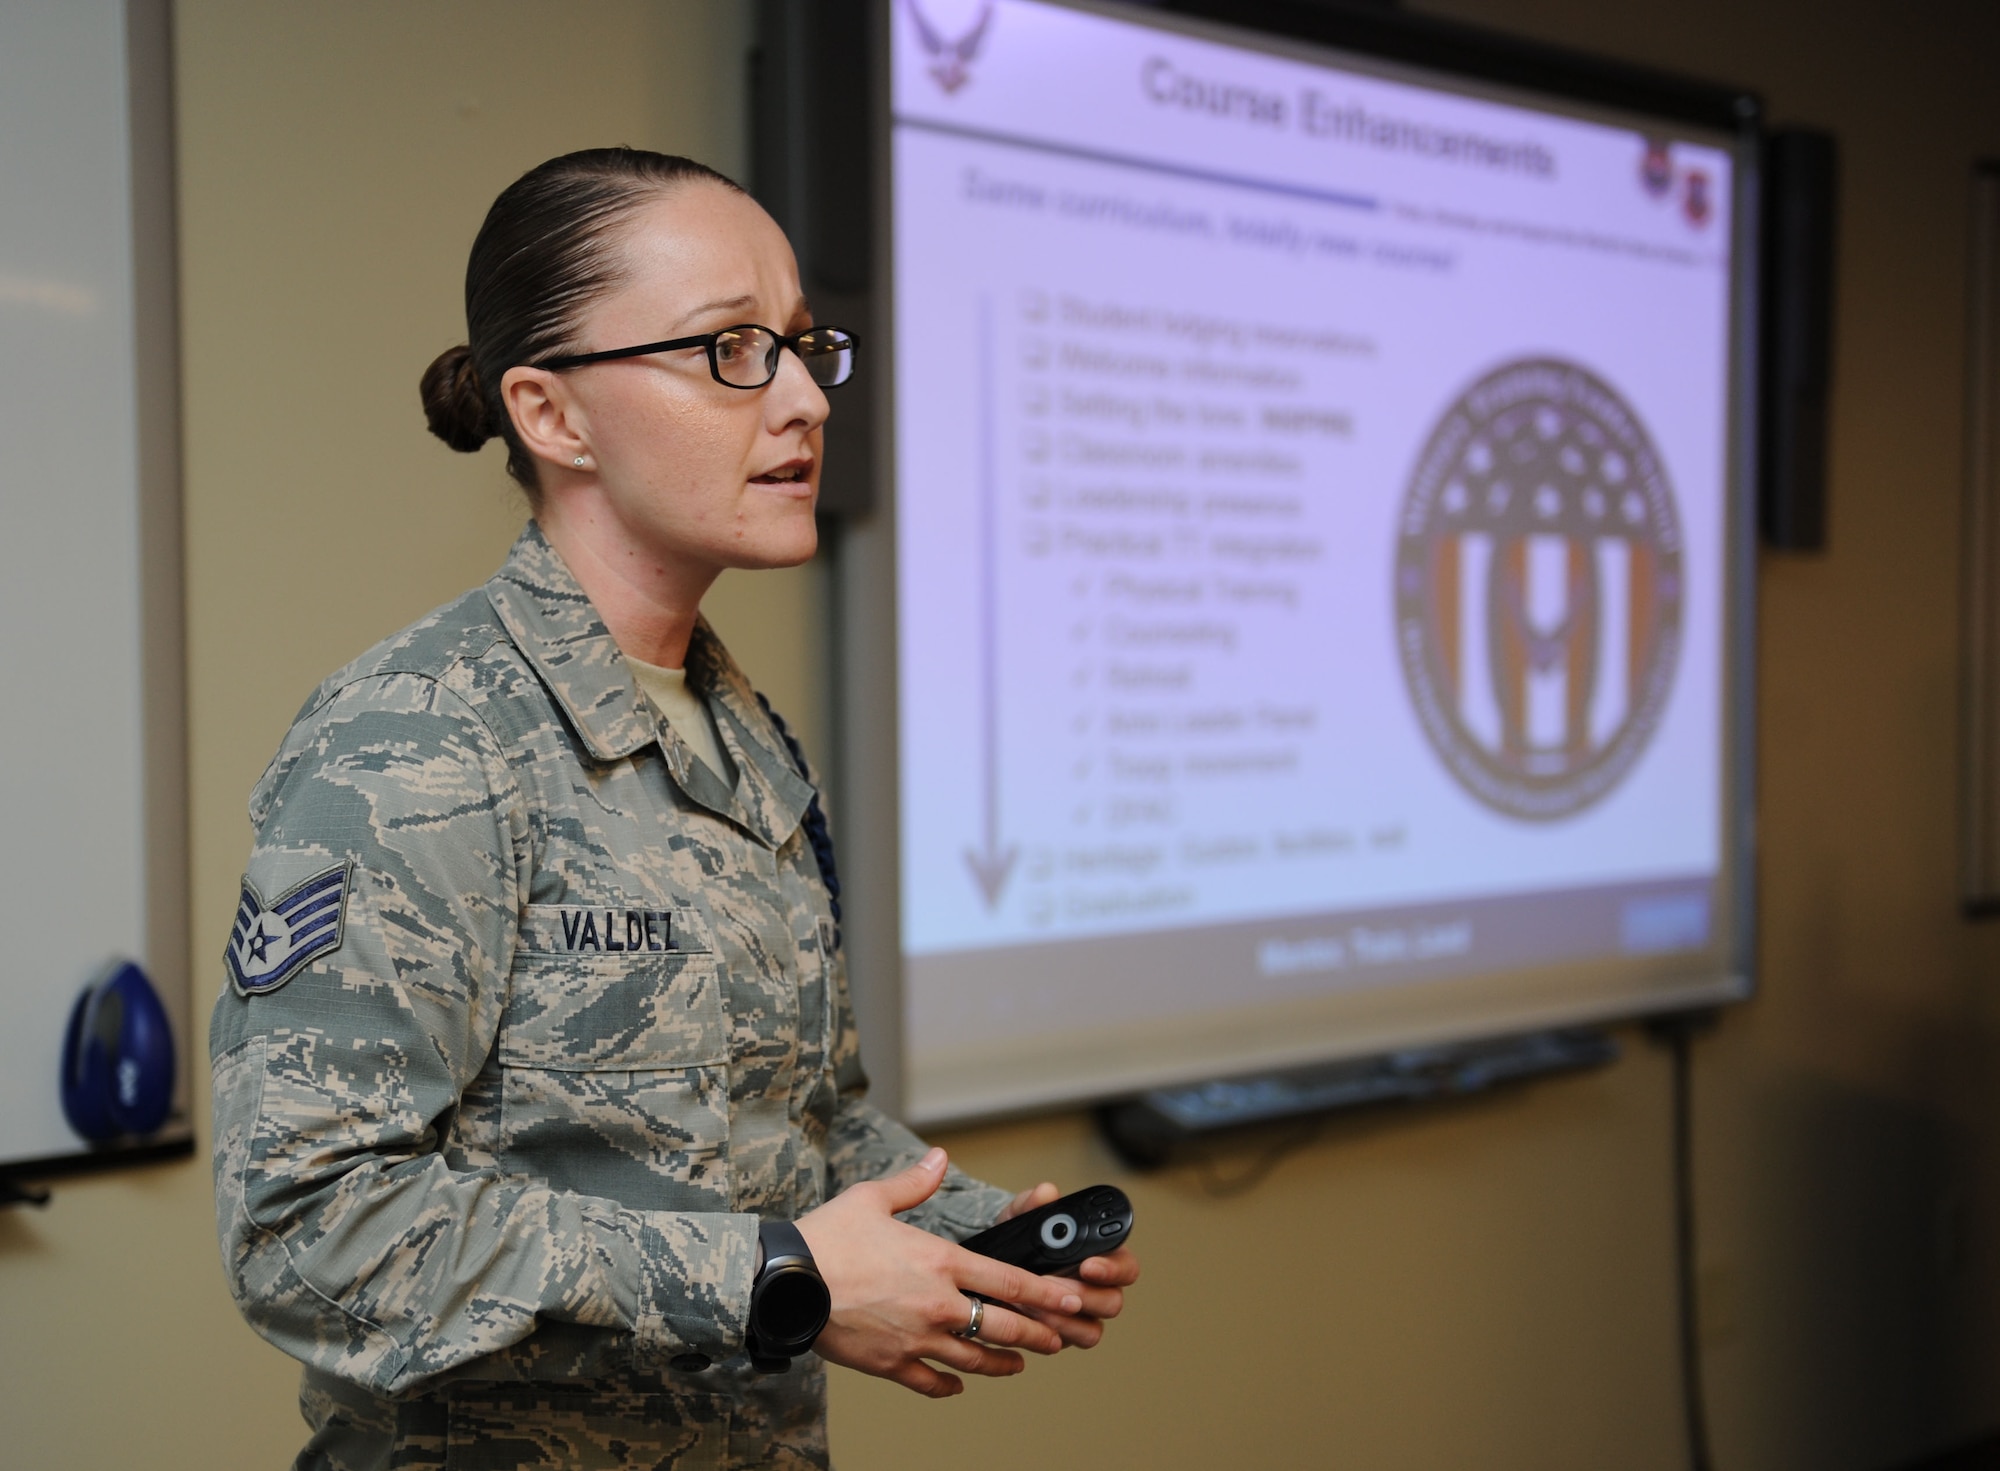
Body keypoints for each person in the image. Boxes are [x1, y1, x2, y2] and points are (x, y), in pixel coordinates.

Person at [209, 148, 1138, 1471]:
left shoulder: (738, 729)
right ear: (553, 414)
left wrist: (961, 1241)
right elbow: (310, 1233)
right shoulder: (419, 741)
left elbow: (799, 1124)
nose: (807, 399)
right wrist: (780, 1281)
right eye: (731, 350)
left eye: (807, 346)